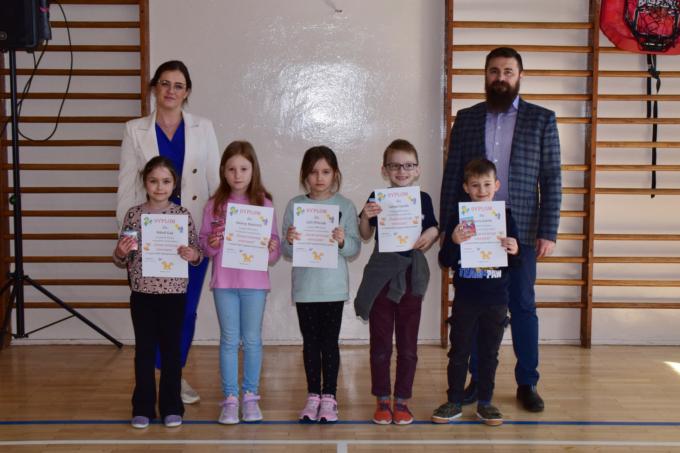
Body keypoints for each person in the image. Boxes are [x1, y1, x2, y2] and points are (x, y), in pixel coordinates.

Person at [440, 47, 562, 412]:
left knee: (522, 305)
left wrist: (548, 230)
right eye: (494, 71)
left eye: (508, 71)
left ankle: (528, 382)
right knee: (478, 306)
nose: (501, 77)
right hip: (474, 228)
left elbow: (551, 177)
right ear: (486, 75)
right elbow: (452, 175)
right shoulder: (467, 119)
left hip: (519, 230)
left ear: (520, 76)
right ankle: (478, 381)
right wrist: (447, 227)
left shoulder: (542, 119)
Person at [116, 60, 221, 405]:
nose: (170, 91)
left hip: (190, 236)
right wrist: (127, 236)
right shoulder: (135, 129)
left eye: (178, 85)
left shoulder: (204, 127)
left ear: (187, 91)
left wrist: (216, 229)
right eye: (164, 83)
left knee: (184, 311)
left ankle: (172, 374)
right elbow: (127, 186)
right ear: (154, 88)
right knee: (151, 312)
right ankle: (158, 377)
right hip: (148, 236)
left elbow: (214, 182)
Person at [113, 156, 203, 429]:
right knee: (144, 351)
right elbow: (122, 258)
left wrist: (192, 255)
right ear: (145, 183)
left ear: (174, 184)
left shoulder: (182, 216)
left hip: (174, 295)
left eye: (165, 181)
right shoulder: (134, 215)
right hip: (142, 294)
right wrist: (120, 252)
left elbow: (196, 253)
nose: (159, 187)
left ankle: (172, 407)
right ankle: (142, 407)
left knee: (171, 351)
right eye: (153, 181)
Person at [354, 139, 439, 425]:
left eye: (408, 165)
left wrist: (431, 234)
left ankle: (401, 401)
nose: (402, 171)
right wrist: (365, 217)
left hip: (411, 277)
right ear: (385, 170)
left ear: (417, 170)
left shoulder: (423, 199)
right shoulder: (377, 197)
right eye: (395, 166)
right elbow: (365, 234)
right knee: (380, 344)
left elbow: (434, 227)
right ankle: (382, 399)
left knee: (408, 345)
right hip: (382, 276)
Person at [432, 158, 520, 427]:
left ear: (497, 185)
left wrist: (515, 249)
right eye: (475, 185)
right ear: (466, 188)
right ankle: (454, 401)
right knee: (459, 352)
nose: (481, 190)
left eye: (486, 184)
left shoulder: (505, 218)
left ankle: (485, 403)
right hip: (466, 299)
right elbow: (445, 260)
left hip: (496, 299)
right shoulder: (458, 218)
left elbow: (516, 263)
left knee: (489, 354)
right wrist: (454, 241)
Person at [199, 141, 280, 424]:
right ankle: (231, 399)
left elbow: (274, 251)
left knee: (253, 340)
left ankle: (250, 397)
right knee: (229, 341)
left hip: (254, 284)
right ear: (223, 170)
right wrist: (211, 243)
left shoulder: (264, 204)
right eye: (232, 169)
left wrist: (271, 247)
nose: (237, 175)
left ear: (253, 170)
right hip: (224, 283)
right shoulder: (214, 205)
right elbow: (204, 245)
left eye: (243, 169)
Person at [281, 146, 361, 423]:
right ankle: (313, 395)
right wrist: (290, 240)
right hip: (306, 288)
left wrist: (341, 241)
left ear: (335, 174)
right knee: (310, 344)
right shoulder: (294, 205)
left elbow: (353, 248)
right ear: (305, 175)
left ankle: (330, 397)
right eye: (313, 172)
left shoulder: (345, 206)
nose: (319, 178)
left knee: (329, 344)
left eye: (325, 171)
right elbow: (286, 251)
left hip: (332, 288)